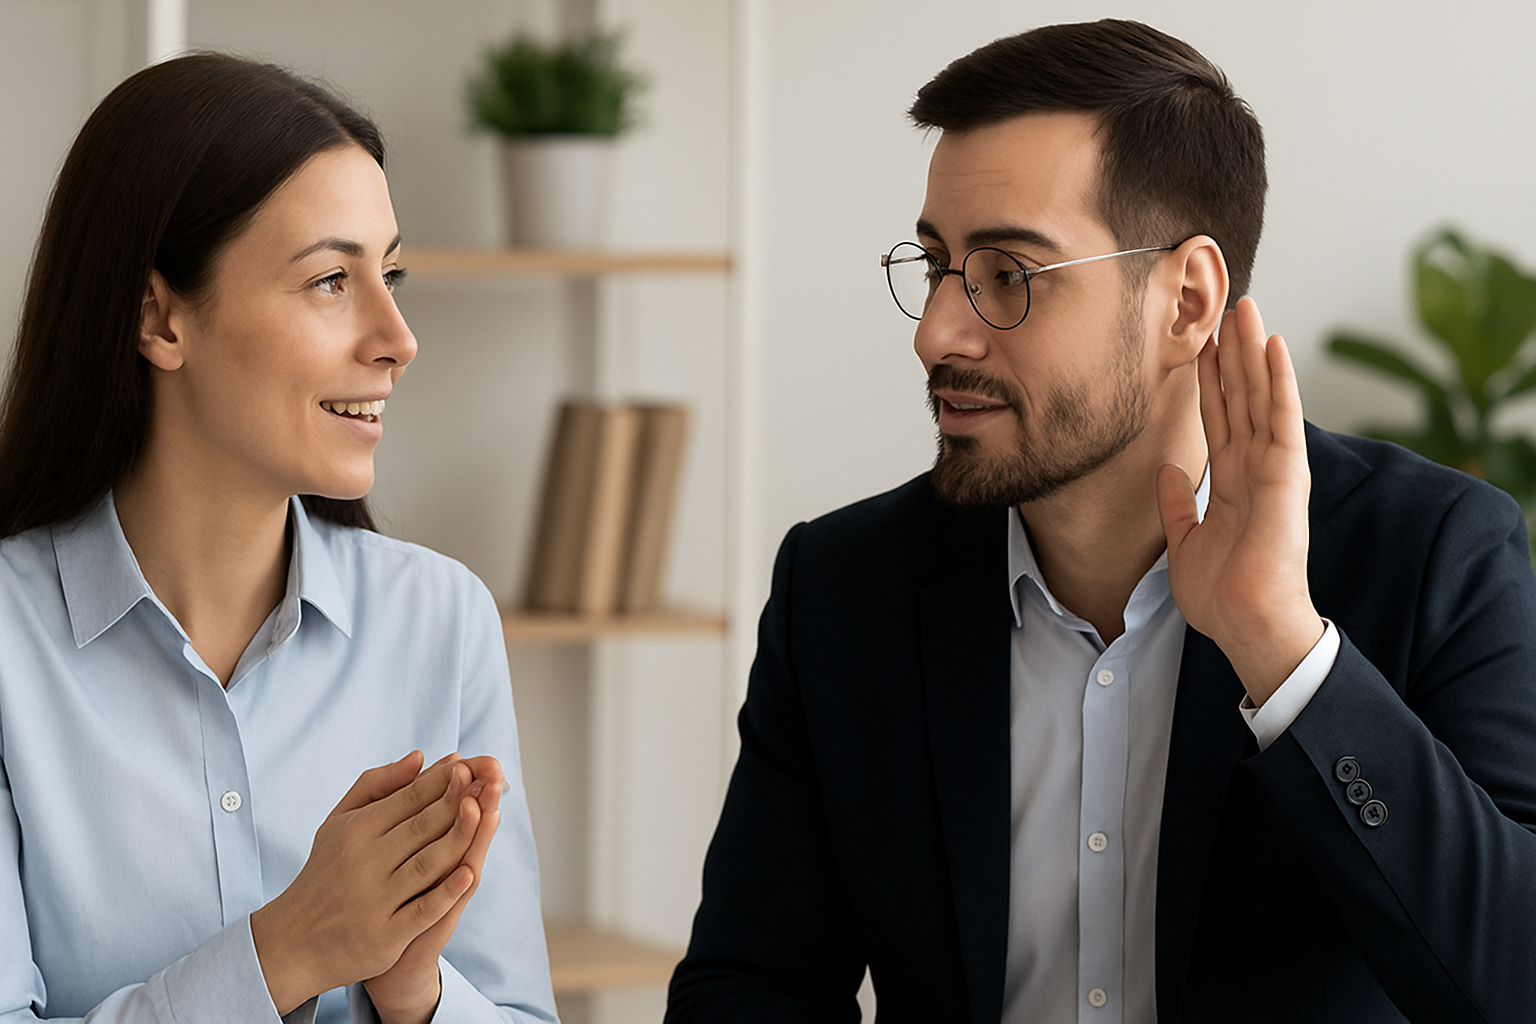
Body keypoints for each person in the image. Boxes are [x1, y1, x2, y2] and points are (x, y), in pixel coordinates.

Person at [666, 19, 1536, 1024]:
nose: (935, 332)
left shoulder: (1433, 554)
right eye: (937, 263)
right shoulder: (841, 587)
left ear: (1185, 299)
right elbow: (749, 986)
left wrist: (1285, 654)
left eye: (1009, 277)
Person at [0, 54, 558, 1024]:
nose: (398, 335)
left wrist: (414, 991)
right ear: (158, 315)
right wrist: (291, 945)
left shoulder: (442, 619)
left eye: (392, 275)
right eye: (333, 280)